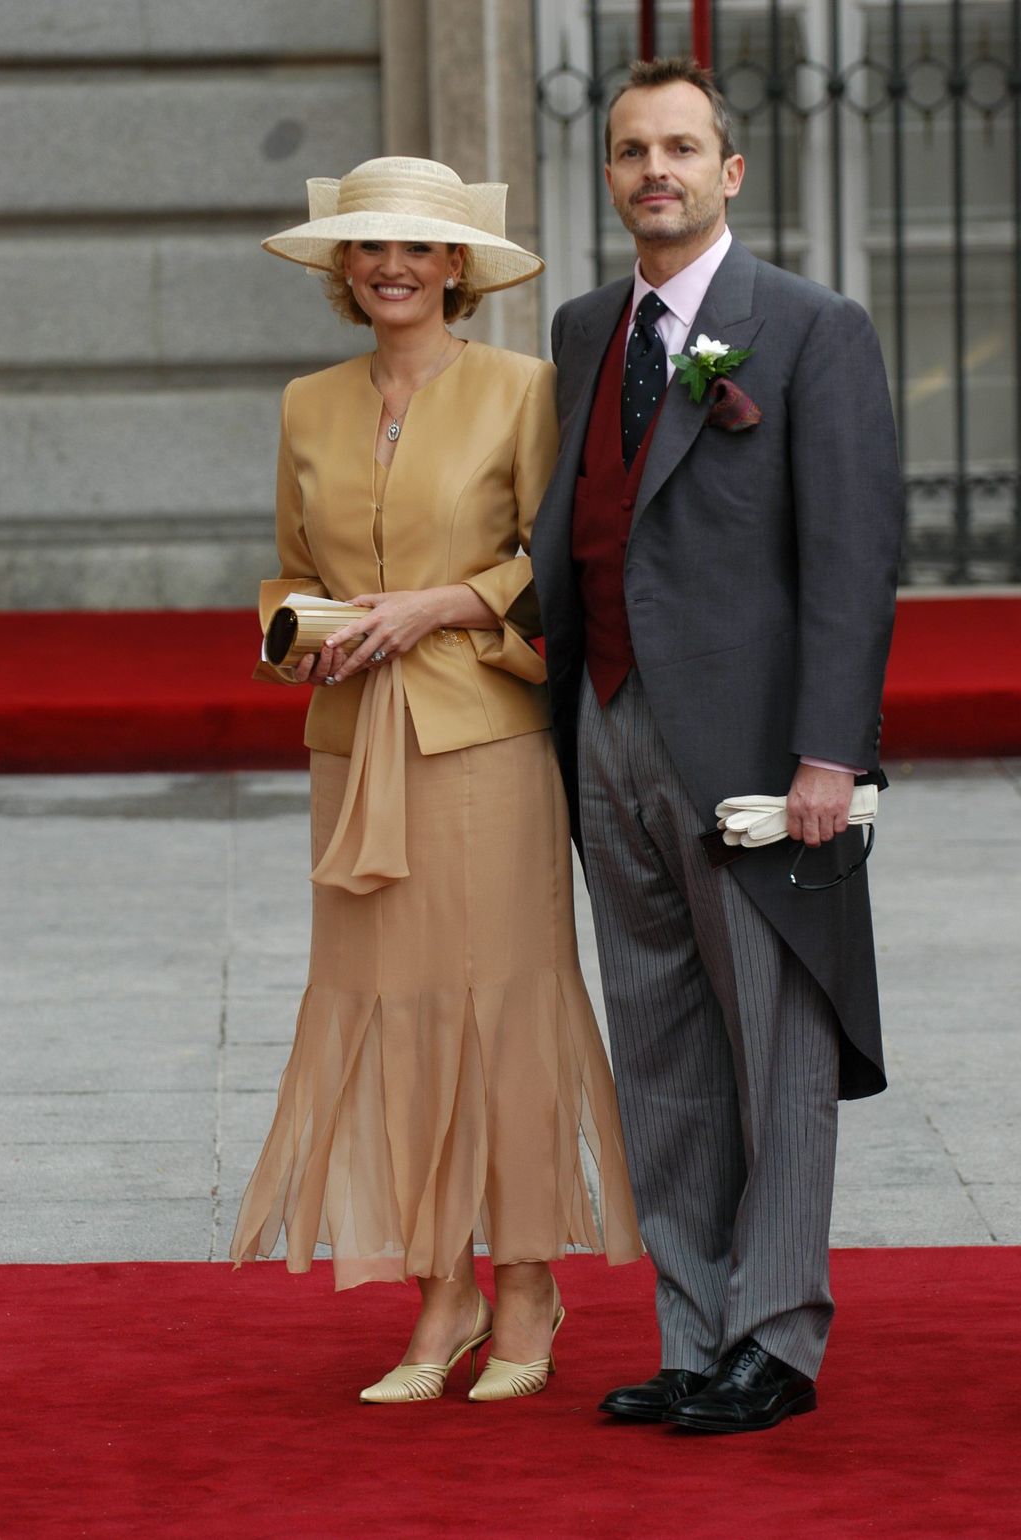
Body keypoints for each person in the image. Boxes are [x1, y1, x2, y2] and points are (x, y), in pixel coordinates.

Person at [229, 156, 642, 1405]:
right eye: (370, 249)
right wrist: (304, 636)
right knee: (391, 1017)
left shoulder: (524, 387)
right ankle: (441, 1290)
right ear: (344, 270)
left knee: (498, 1009)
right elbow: (287, 571)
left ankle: (525, 1285)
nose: (393, 266)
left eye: (418, 247)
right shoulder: (307, 402)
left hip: (485, 742)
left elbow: (553, 561)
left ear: (458, 266)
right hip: (357, 747)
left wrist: (440, 604)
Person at [530, 58, 904, 1433]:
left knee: (780, 1048)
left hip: (758, 759)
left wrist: (832, 757)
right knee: (662, 1052)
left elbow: (853, 563)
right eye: (633, 151)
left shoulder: (810, 329)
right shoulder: (583, 331)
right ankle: (694, 1335)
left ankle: (779, 1343)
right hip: (607, 733)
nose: (656, 171)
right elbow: (573, 541)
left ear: (730, 171)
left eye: (682, 148)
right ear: (612, 173)